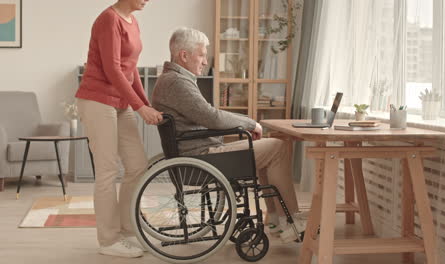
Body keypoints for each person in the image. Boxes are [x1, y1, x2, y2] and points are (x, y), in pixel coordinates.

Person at [151, 27, 306, 243]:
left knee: (267, 151)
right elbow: (212, 117)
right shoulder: (177, 82)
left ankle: (278, 221)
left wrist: (244, 126)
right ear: (184, 56)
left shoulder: (173, 79)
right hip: (202, 158)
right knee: (277, 148)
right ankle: (290, 221)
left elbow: (208, 116)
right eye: (202, 54)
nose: (206, 61)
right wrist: (251, 123)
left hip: (197, 153)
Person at [75, 0, 162, 258]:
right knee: (107, 170)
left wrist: (146, 105)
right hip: (97, 99)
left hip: (120, 101)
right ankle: (109, 240)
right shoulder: (108, 20)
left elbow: (131, 70)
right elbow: (112, 69)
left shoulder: (132, 22)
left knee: (137, 165)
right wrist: (139, 107)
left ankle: (128, 230)